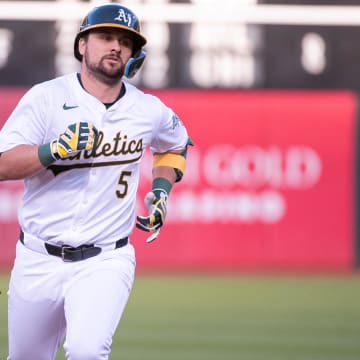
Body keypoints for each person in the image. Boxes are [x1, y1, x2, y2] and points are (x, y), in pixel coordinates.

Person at [0, 3, 192, 359]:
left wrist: (162, 190)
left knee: (88, 351)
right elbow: (2, 165)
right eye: (105, 37)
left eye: (125, 41)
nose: (116, 46)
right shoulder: (46, 99)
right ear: (82, 45)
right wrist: (51, 151)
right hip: (38, 257)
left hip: (105, 259)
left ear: (135, 54)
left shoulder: (148, 110)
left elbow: (176, 144)